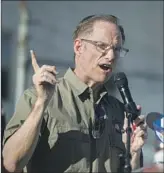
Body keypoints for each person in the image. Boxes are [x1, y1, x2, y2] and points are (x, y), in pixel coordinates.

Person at [2, 14, 147, 173]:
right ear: (78, 47)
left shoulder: (119, 111)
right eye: (102, 46)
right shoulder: (40, 97)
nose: (111, 56)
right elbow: (11, 164)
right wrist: (41, 104)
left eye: (117, 49)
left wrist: (134, 153)